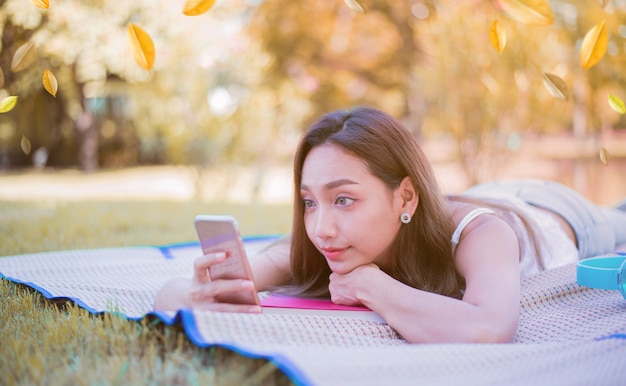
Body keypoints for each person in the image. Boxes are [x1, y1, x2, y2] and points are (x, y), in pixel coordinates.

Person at [154, 106, 626, 344]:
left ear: (404, 196)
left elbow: (492, 326)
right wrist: (197, 294)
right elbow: (171, 293)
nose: (321, 229)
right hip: (488, 189)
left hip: (558, 214)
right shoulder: (322, 244)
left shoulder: (483, 234)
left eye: (343, 199)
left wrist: (371, 286)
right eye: (309, 202)